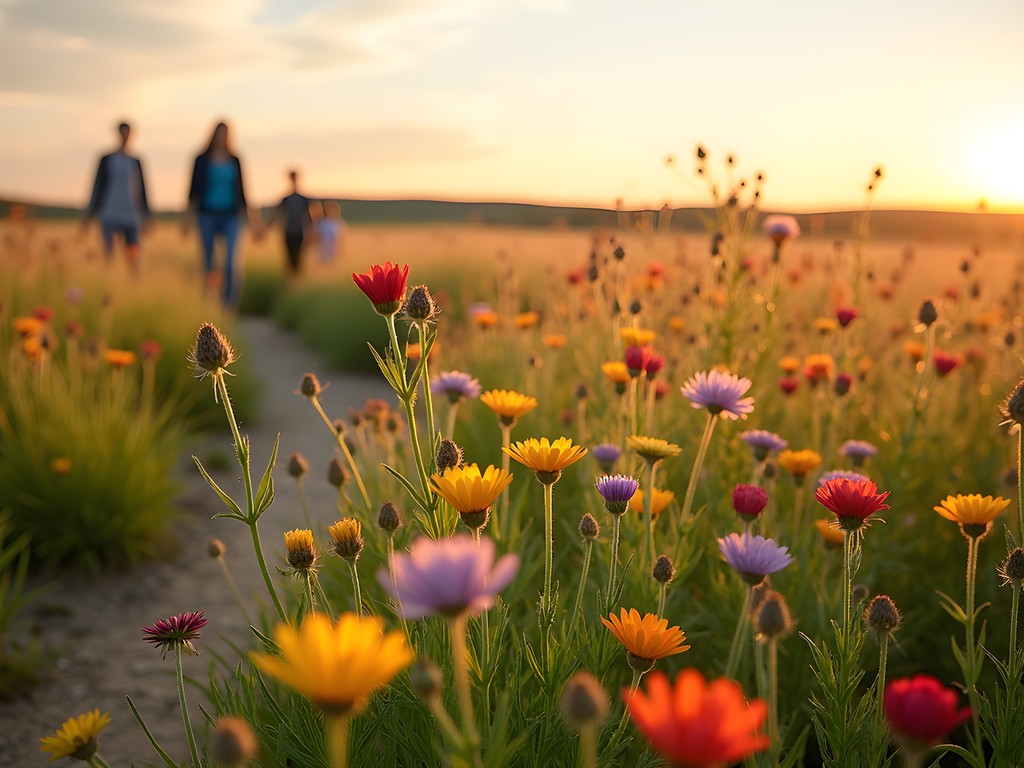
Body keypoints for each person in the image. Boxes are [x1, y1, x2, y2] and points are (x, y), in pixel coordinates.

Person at [184, 121, 258, 307]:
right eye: (219, 133)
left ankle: (228, 307)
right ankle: (209, 302)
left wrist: (254, 222)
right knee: (209, 261)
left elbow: (243, 192)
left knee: (231, 263)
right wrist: (187, 219)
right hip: (206, 214)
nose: (222, 137)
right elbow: (193, 191)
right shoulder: (201, 159)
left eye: (225, 133)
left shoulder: (235, 160)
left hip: (231, 216)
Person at [82, 121, 150, 274]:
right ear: (118, 134)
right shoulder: (106, 159)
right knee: (109, 253)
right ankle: (110, 281)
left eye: (128, 133)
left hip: (131, 214)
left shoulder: (135, 161)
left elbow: (143, 189)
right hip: (110, 212)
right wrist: (89, 214)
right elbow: (97, 186)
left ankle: (133, 285)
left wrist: (146, 215)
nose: (125, 137)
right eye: (123, 133)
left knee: (133, 254)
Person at [272, 169, 312, 275]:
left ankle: (296, 279)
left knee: (298, 257)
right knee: (289, 258)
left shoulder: (304, 199)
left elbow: (309, 217)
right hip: (289, 231)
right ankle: (291, 279)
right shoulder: (286, 199)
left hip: (299, 231)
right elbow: (277, 215)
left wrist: (312, 232)